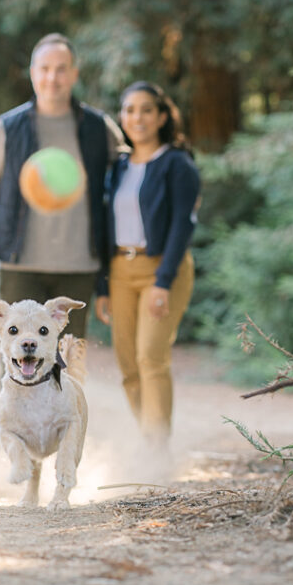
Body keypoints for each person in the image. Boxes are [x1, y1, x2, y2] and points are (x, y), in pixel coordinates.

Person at [0, 33, 123, 339]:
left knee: (69, 367)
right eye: (45, 68)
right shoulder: (6, 129)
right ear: (32, 72)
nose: (53, 77)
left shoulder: (99, 128)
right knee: (18, 368)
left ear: (74, 74)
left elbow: (132, 178)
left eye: (62, 68)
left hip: (79, 267)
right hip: (19, 266)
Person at [96, 81, 200, 444]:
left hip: (161, 268)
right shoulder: (118, 166)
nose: (136, 117)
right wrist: (103, 286)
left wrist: (164, 281)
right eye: (129, 110)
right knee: (128, 365)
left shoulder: (177, 163)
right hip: (121, 271)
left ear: (160, 117)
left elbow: (182, 225)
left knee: (150, 358)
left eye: (145, 110)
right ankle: (147, 440)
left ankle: (157, 450)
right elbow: (105, 226)